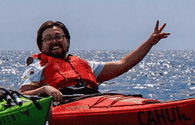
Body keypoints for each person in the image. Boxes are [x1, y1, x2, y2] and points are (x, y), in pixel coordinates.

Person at [20, 19, 169, 103]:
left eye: (58, 37)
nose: (54, 41)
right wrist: (45, 89)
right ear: (40, 46)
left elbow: (123, 65)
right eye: (47, 39)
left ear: (67, 40)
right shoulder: (37, 66)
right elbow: (24, 94)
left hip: (95, 100)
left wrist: (150, 42)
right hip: (65, 104)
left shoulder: (86, 65)